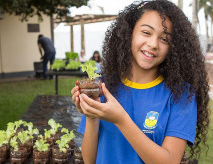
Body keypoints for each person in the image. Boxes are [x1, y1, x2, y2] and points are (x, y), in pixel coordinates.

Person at [71, 1, 210, 164]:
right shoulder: (102, 87)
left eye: (164, 39)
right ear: (129, 33)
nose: (153, 44)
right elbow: (90, 160)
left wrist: (121, 119)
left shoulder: (181, 95)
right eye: (146, 32)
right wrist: (91, 116)